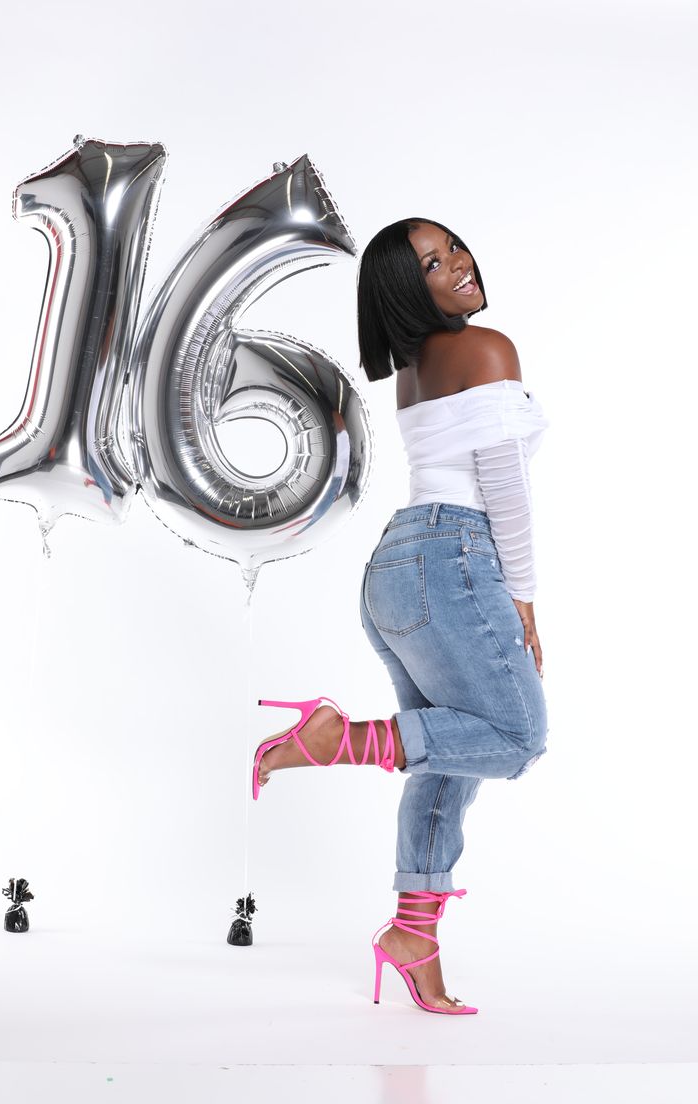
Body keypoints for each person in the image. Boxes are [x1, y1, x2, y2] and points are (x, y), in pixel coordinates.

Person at [252, 218, 550, 1016]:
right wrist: (523, 595)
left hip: (401, 568)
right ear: (401, 289)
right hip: (453, 556)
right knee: (519, 737)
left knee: (448, 754)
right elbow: (505, 491)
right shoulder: (485, 349)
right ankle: (338, 738)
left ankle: (414, 931)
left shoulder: (420, 366)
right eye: (432, 262)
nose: (458, 263)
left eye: (454, 247)